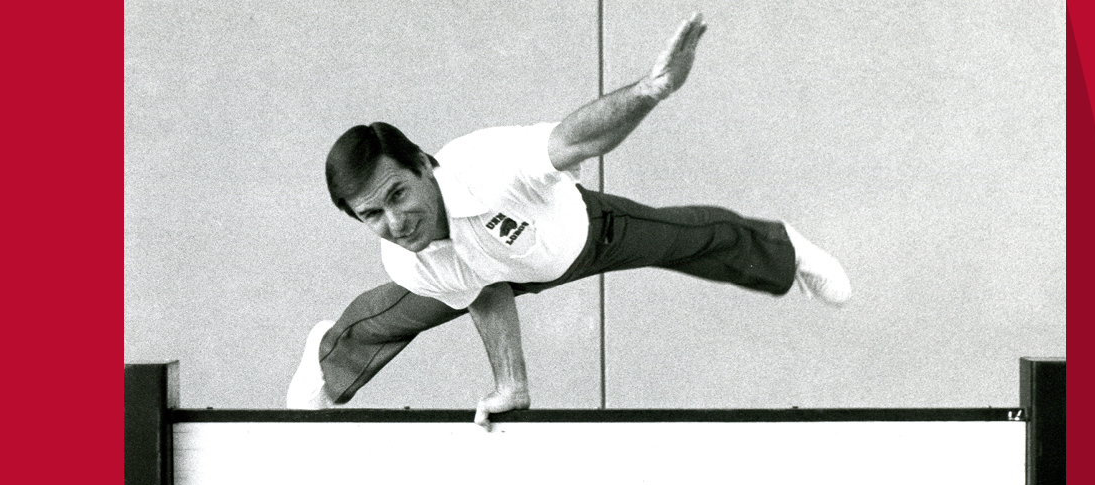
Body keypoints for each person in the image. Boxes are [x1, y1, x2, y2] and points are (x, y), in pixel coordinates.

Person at [287, 12, 850, 429]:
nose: (395, 221)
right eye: (372, 215)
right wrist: (512, 383)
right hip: (492, 266)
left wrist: (650, 91)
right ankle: (324, 357)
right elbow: (485, 287)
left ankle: (789, 251)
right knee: (384, 318)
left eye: (397, 195)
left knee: (686, 238)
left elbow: (579, 135)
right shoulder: (404, 255)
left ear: (423, 165)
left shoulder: (489, 166)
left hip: (579, 236)